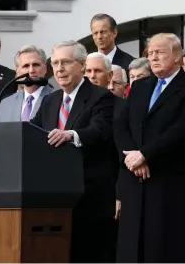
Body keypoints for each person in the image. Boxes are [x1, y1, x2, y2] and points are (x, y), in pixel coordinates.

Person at [114, 33, 185, 262]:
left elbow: (184, 130)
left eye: (160, 52)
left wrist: (146, 155)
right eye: (150, 52)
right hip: (135, 182)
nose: (153, 57)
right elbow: (121, 125)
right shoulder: (139, 87)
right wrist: (131, 158)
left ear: (177, 57)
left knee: (164, 248)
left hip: (168, 182)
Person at [31, 41, 115, 262]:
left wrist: (71, 135)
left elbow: (100, 130)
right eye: (55, 63)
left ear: (82, 65)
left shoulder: (100, 96)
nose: (59, 69)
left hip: (90, 198)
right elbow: (32, 131)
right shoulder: (50, 100)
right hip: (54, 198)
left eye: (66, 62)